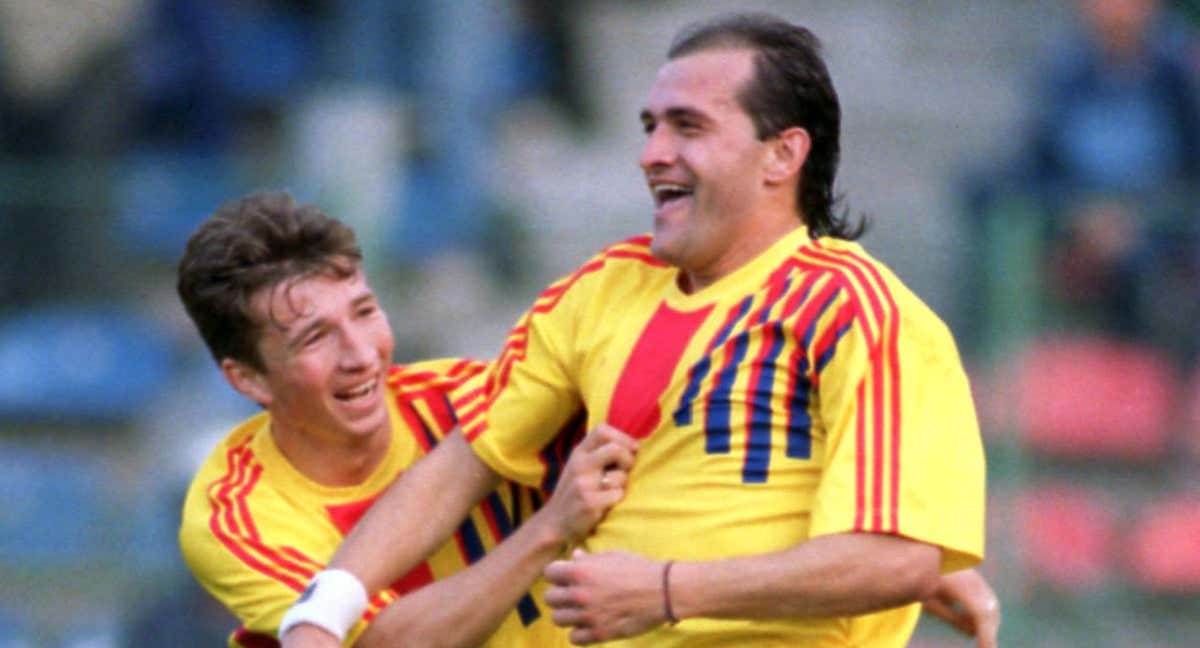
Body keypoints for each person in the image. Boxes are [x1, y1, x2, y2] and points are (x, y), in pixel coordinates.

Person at [282, 12, 993, 647]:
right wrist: (323, 612)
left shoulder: (858, 310)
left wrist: (667, 591)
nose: (652, 153)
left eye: (688, 126)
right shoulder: (607, 288)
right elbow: (465, 465)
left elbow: (900, 558)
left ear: (783, 154)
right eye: (650, 126)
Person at [176, 192, 637, 646]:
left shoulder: (469, 397)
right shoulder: (238, 515)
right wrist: (549, 529)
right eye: (315, 338)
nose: (360, 354)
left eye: (364, 312)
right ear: (250, 380)